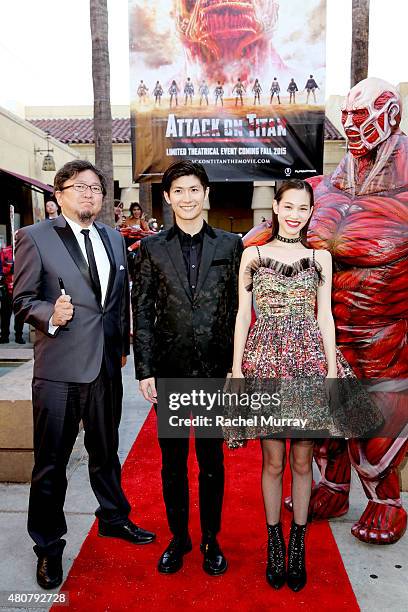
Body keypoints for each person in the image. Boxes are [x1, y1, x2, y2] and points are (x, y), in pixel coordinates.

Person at [229, 180, 381, 592]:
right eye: (289, 206)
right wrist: (237, 370)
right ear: (276, 207)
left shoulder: (321, 258)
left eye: (303, 207)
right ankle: (274, 542)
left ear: (311, 211)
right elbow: (244, 315)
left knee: (302, 460)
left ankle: (298, 544)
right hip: (265, 359)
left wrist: (332, 369)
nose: (295, 214)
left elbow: (326, 317)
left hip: (309, 360)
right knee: (273, 461)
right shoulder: (253, 255)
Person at [13, 160, 155, 591]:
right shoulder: (34, 237)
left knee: (106, 452)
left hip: (106, 367)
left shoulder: (113, 237)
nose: (90, 194)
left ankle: (113, 517)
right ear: (59, 195)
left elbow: (114, 302)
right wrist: (48, 314)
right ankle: (48, 546)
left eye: (96, 188)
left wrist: (122, 349)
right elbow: (21, 299)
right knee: (51, 463)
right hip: (58, 370)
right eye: (80, 187)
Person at [132, 160, 243, 576]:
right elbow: (141, 310)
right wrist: (145, 370)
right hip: (170, 370)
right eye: (178, 191)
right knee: (173, 462)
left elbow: (239, 309)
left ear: (206, 193)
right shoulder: (151, 248)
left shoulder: (231, 246)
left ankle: (212, 539)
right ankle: (179, 538)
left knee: (212, 461)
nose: (187, 198)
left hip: (216, 371)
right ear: (167, 198)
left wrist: (237, 367)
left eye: (194, 189)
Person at [0, 243, 25, 343]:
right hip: (7, 288)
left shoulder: (25, 250)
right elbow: (1, 268)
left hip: (21, 288)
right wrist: (9, 270)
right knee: (5, 314)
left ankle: (19, 336)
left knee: (20, 314)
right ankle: (4, 336)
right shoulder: (5, 251)